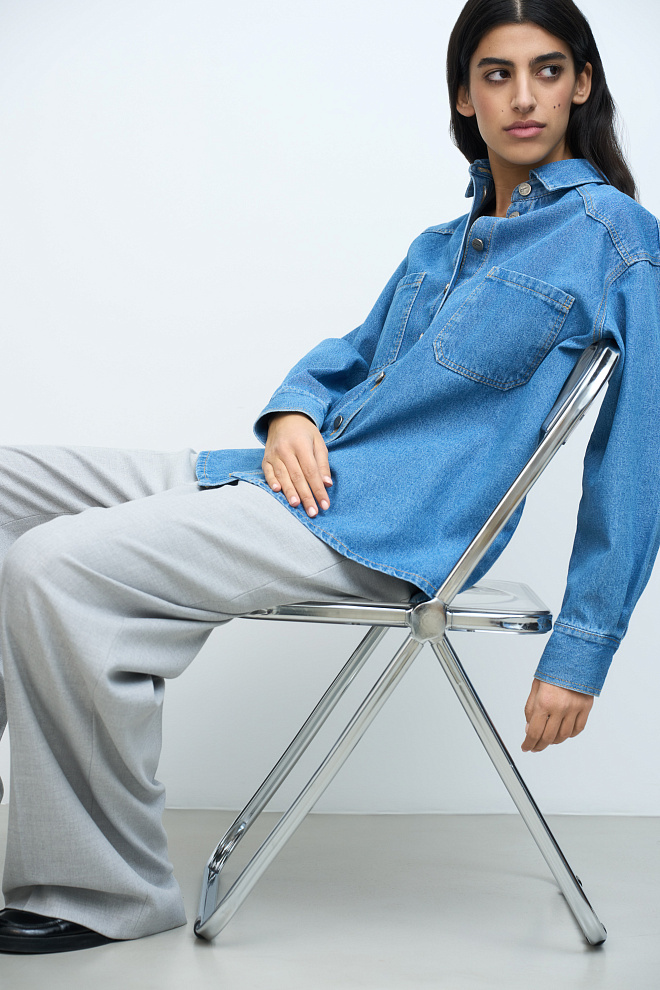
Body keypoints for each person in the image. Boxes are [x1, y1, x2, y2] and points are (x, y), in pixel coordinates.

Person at [0, 0, 658, 954]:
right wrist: (293, 413)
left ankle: (102, 890)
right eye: (498, 73)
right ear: (465, 97)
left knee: (53, 564)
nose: (524, 96)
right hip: (292, 484)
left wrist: (580, 651)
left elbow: (636, 458)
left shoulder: (615, 238)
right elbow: (346, 358)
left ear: (582, 85)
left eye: (548, 70)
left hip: (386, 532)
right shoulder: (440, 244)